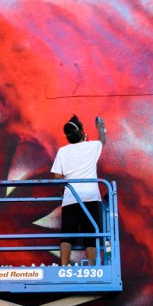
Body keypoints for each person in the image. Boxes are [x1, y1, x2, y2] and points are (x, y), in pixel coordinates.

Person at [51, 114, 106, 266]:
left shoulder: (62, 151)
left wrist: (62, 190)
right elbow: (102, 141)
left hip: (70, 199)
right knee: (91, 235)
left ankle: (63, 267)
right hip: (90, 198)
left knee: (67, 236)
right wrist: (101, 128)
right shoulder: (92, 147)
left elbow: (57, 177)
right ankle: (94, 268)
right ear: (82, 132)